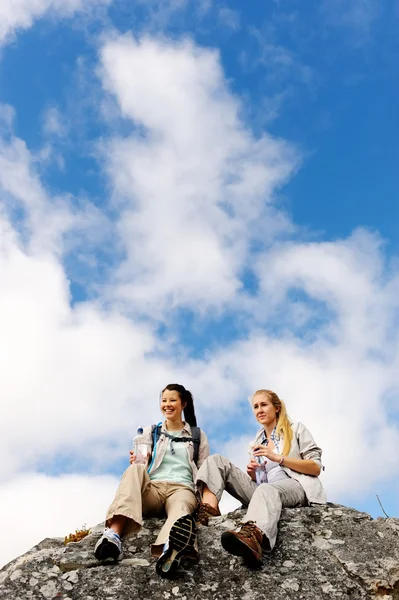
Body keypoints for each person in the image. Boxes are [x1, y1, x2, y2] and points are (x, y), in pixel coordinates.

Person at [196, 389, 326, 568]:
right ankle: (208, 511)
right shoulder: (257, 442)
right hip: (266, 490)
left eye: (264, 405)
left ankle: (254, 537)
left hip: (296, 486)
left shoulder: (296, 429)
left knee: (267, 489)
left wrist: (278, 458)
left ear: (277, 408)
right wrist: (253, 473)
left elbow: (315, 467)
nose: (259, 410)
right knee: (216, 460)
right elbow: (261, 482)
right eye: (256, 407)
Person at [94, 383, 210, 578]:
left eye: (173, 400)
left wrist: (206, 502)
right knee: (135, 468)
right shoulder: (150, 431)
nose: (167, 405)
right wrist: (139, 459)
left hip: (182, 489)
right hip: (153, 489)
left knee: (181, 509)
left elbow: (205, 470)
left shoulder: (197, 435)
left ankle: (169, 550)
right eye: (164, 401)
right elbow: (142, 459)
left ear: (184, 404)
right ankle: (112, 535)